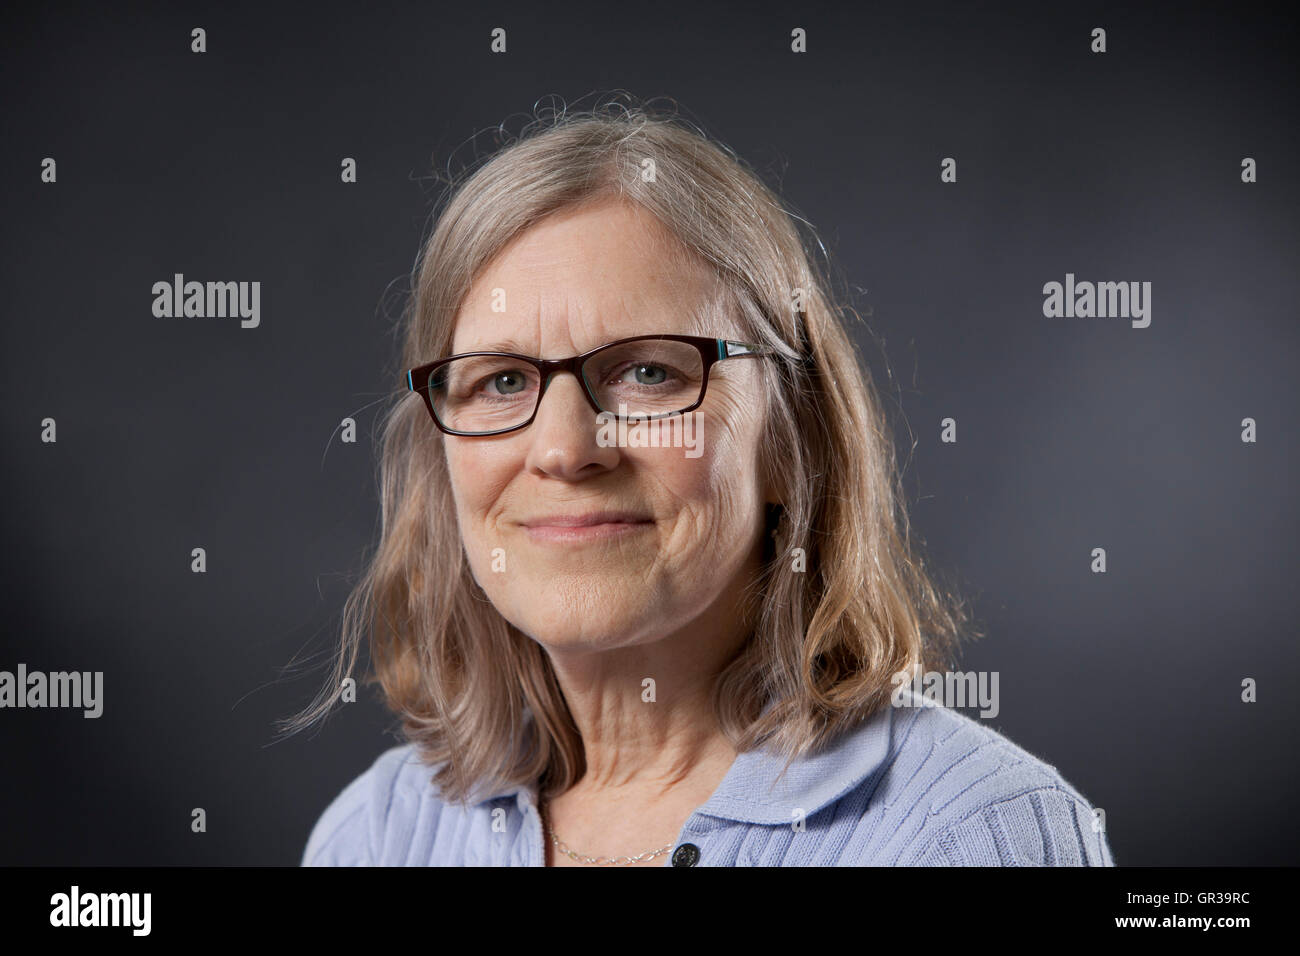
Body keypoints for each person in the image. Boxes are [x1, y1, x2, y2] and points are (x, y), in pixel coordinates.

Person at [293, 99, 1114, 866]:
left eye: (647, 371)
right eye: (502, 382)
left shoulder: (969, 836)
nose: (566, 449)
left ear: (793, 441)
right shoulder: (376, 836)